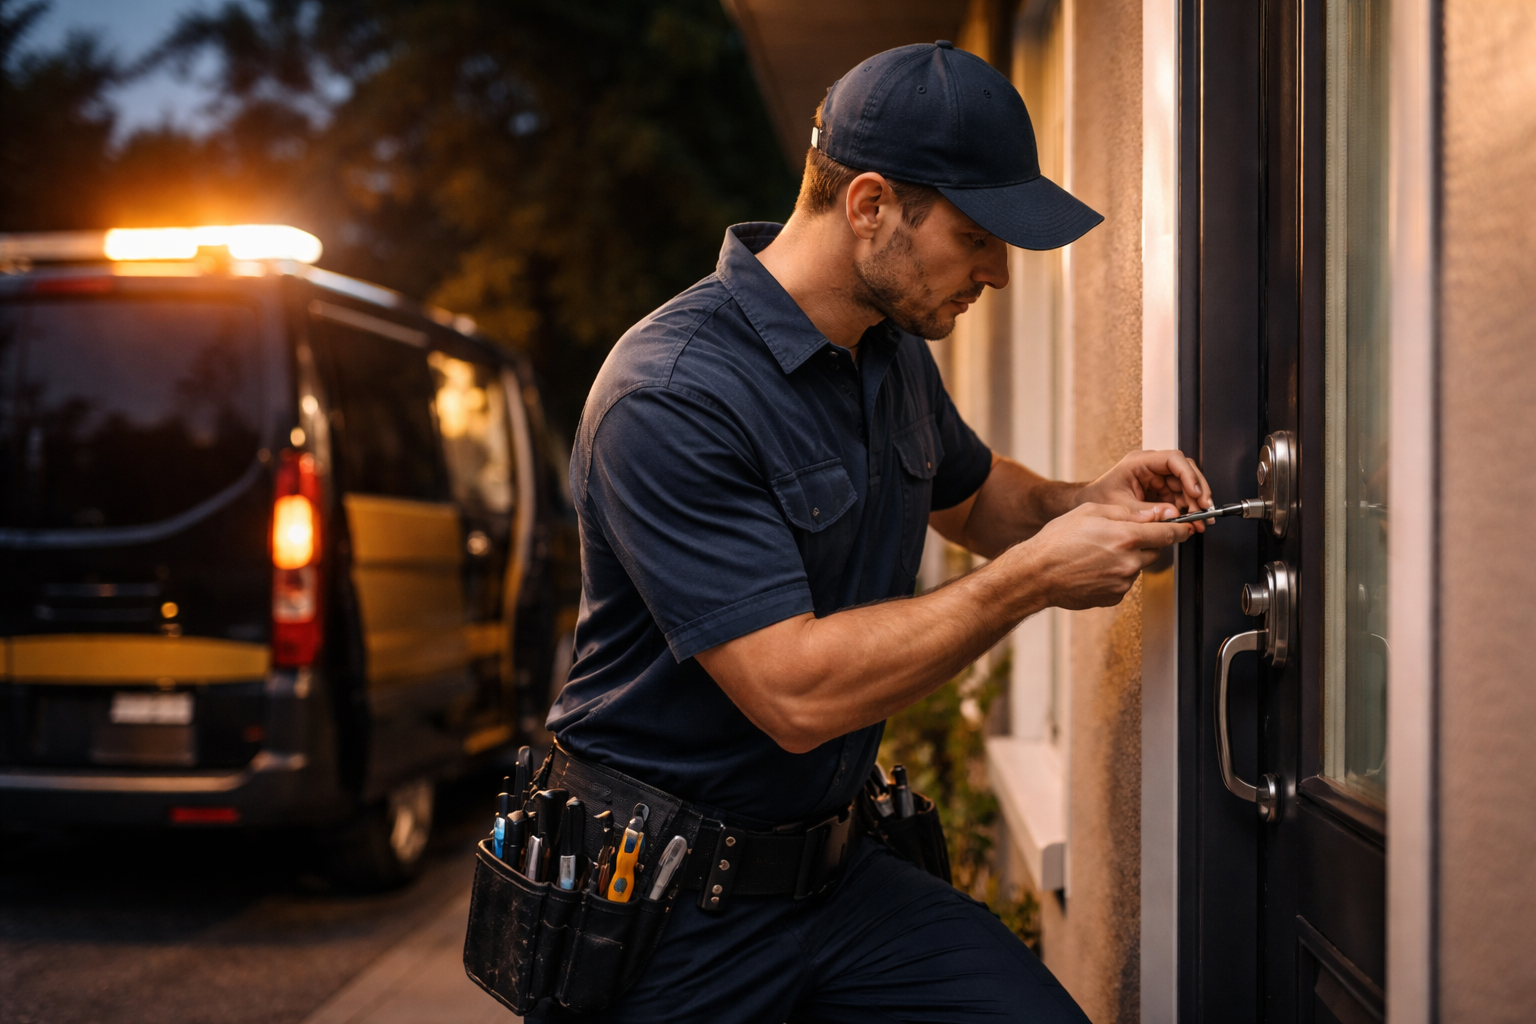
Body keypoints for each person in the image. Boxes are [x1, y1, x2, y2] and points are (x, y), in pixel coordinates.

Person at [539, 41, 1210, 1023]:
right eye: (979, 234)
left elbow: (978, 501)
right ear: (869, 206)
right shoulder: (673, 396)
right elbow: (795, 693)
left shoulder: (887, 353)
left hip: (839, 878)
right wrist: (1029, 581)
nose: (999, 272)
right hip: (669, 915)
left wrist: (1081, 503)